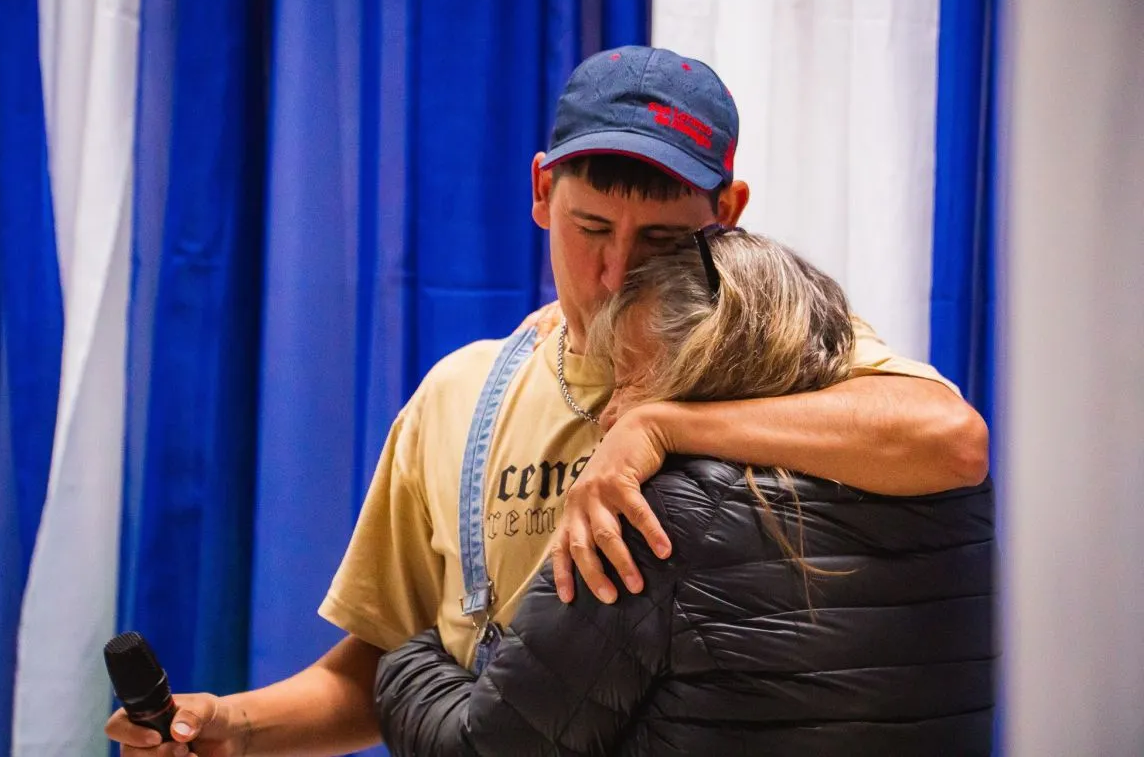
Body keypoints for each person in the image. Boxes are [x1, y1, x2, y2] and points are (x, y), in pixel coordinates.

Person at [106, 46, 988, 757]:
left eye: (664, 239)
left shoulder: (777, 357)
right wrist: (233, 724)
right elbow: (379, 663)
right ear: (539, 193)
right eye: (592, 228)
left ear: (729, 210)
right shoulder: (457, 398)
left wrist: (662, 423)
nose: (613, 275)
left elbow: (948, 437)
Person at [374, 228, 995, 755]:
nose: (610, 412)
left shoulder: (661, 520)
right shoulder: (958, 507)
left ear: (715, 360)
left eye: (634, 376)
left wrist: (410, 660)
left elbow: (487, 747)